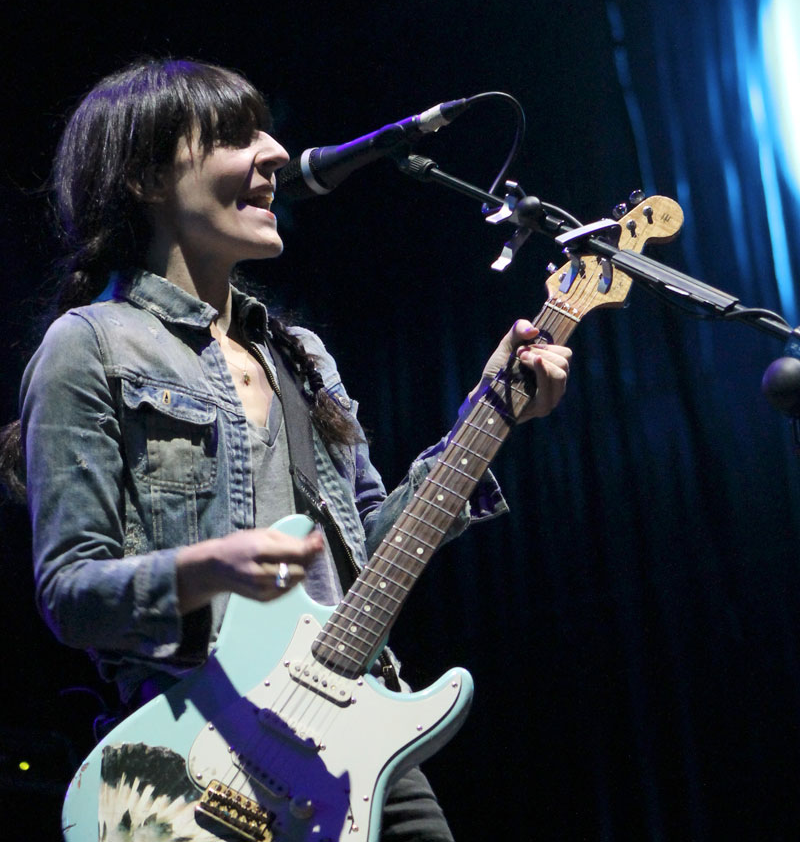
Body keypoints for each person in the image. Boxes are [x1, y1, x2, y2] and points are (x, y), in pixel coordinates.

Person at [16, 58, 571, 841]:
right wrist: (206, 567)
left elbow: (370, 560)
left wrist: (488, 415)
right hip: (197, 755)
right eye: (235, 137)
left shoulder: (301, 355)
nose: (276, 153)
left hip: (354, 739)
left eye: (267, 133)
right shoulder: (90, 345)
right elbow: (70, 592)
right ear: (145, 176)